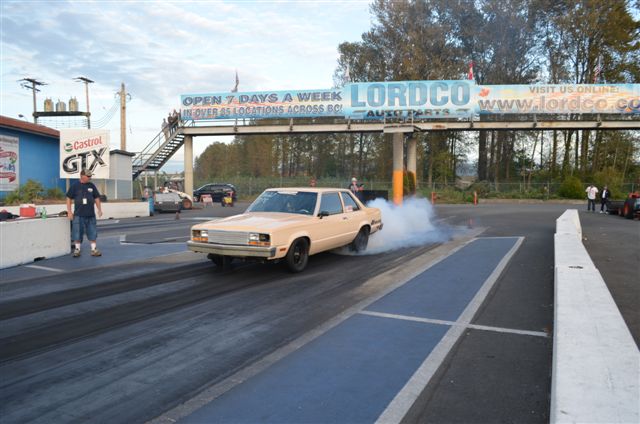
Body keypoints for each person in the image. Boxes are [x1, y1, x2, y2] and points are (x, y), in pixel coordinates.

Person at [66, 169, 103, 257]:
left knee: (92, 232)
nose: (90, 178)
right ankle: (77, 249)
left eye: (90, 176)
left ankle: (94, 249)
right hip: (79, 214)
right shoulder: (75, 186)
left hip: (90, 214)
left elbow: (97, 197)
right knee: (77, 232)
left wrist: (99, 209)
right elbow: (68, 198)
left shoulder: (92, 185)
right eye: (88, 176)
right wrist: (69, 212)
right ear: (82, 176)